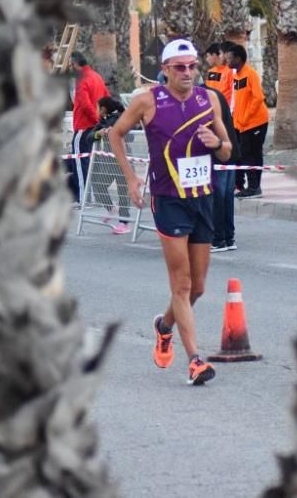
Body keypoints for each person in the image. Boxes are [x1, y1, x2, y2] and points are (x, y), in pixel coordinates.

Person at [108, 38, 233, 386]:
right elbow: (114, 134)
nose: (189, 72)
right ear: (164, 70)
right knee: (181, 284)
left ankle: (164, 327)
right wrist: (131, 178)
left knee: (198, 289)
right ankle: (195, 360)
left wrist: (218, 145)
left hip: (202, 199)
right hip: (168, 200)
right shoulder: (146, 101)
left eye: (193, 66)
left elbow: (227, 153)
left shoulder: (209, 100)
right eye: (180, 67)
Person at [198, 65, 241, 253]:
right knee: (226, 197)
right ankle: (228, 238)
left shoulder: (200, 98)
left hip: (218, 152)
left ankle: (217, 239)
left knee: (216, 197)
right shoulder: (215, 93)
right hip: (229, 151)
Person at [225, 41, 268, 198]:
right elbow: (238, 100)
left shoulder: (250, 74)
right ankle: (251, 186)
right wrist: (236, 119)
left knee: (252, 154)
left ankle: (254, 187)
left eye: (230, 58)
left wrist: (245, 117)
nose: (227, 61)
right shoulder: (237, 75)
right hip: (242, 124)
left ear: (238, 58)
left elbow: (258, 98)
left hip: (256, 122)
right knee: (246, 154)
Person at [67, 52, 109, 205]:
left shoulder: (82, 80)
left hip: (83, 126)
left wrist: (96, 119)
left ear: (75, 64)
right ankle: (91, 197)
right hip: (94, 128)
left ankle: (84, 198)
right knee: (90, 162)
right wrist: (101, 121)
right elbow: (106, 98)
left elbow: (85, 104)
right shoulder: (97, 77)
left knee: (79, 162)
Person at [91, 97, 132, 235]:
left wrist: (114, 131)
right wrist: (98, 133)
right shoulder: (103, 122)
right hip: (109, 162)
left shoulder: (119, 119)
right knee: (97, 182)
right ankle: (111, 209)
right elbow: (89, 137)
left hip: (123, 160)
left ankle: (124, 222)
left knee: (122, 192)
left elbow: (130, 135)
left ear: (103, 108)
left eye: (98, 107)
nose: (96, 110)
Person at [203, 42, 233, 108]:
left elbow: (233, 93)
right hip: (213, 109)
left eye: (208, 56)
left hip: (226, 109)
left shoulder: (230, 71)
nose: (207, 59)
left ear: (214, 55)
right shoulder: (211, 72)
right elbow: (207, 91)